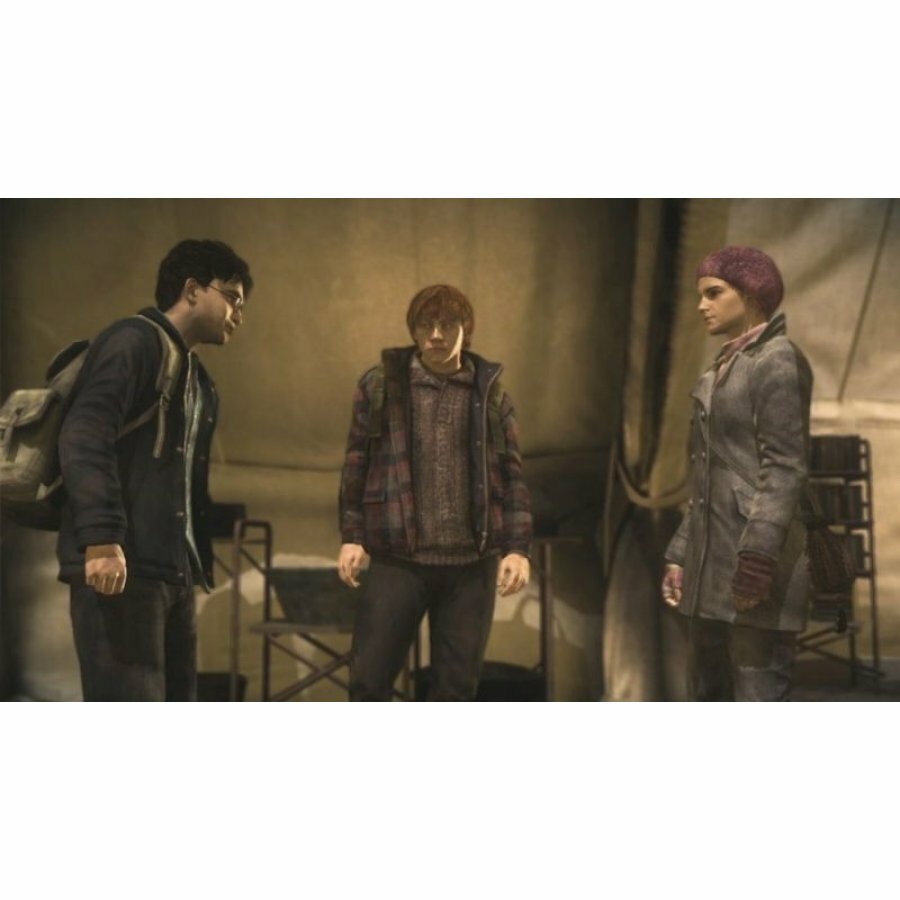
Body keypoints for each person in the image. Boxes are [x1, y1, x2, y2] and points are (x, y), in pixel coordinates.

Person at [57, 239, 253, 701]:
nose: (239, 315)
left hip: (169, 571)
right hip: (123, 565)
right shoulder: (134, 341)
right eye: (232, 297)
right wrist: (102, 538)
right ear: (192, 289)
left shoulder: (196, 376)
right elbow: (83, 434)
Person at [338, 284, 533, 700]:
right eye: (426, 325)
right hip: (397, 557)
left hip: (471, 563)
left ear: (467, 329)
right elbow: (357, 464)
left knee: (456, 692)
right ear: (413, 330)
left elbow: (512, 476)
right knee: (368, 682)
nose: (436, 335)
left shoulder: (490, 395)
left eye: (447, 324)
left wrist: (517, 549)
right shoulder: (381, 387)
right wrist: (352, 536)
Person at [661, 246, 813, 701]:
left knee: (755, 695)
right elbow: (707, 476)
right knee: (708, 695)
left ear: (749, 293)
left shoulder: (776, 360)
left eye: (713, 293)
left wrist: (758, 559)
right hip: (712, 563)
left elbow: (785, 466)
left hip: (753, 564)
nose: (701, 305)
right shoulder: (724, 366)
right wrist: (681, 553)